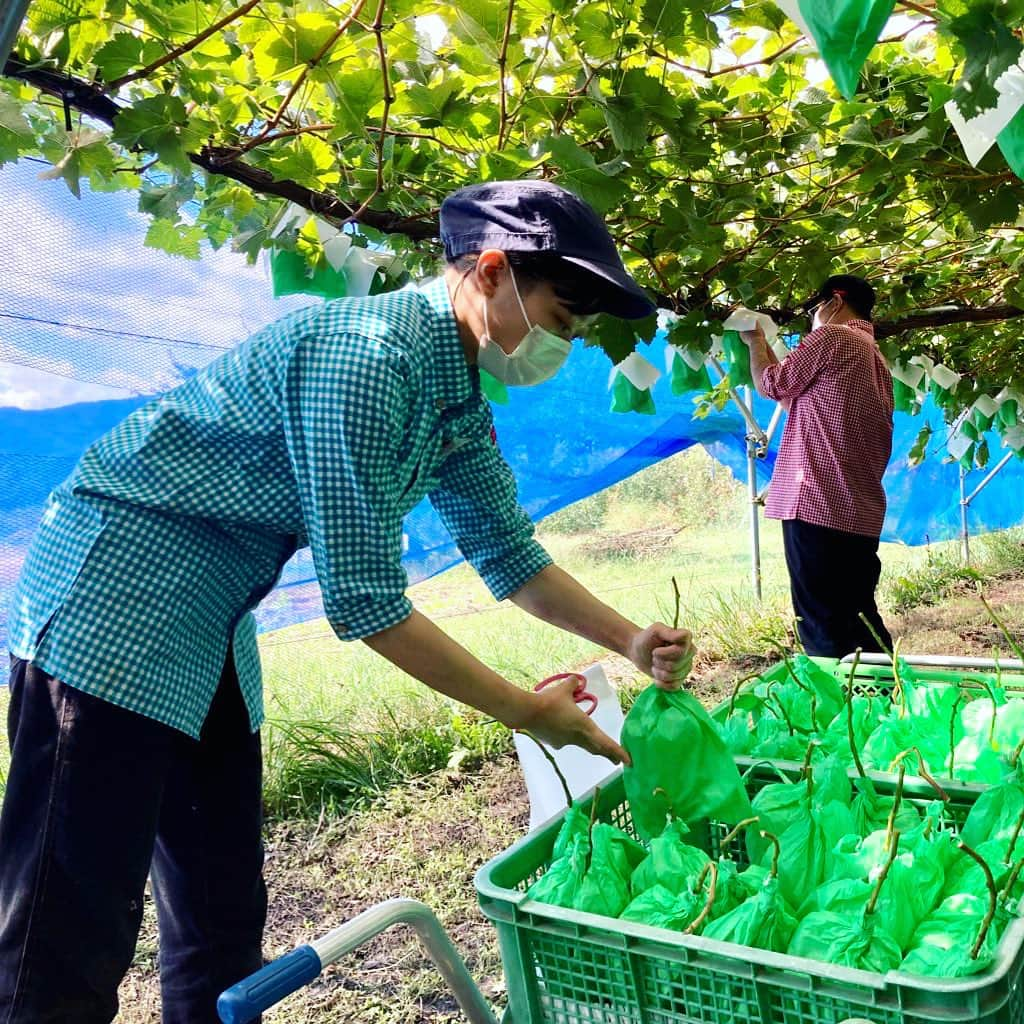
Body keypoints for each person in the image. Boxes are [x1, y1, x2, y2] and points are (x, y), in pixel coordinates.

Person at [0, 180, 696, 1024]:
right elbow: (366, 602)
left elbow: (508, 553)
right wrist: (523, 709)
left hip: (212, 623)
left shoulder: (452, 396)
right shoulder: (367, 359)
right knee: (65, 926)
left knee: (220, 906)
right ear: (489, 270)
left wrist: (626, 638)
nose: (565, 347)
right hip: (116, 604)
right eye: (558, 323)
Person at [739, 273, 894, 658]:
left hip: (817, 504)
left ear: (835, 301)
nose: (813, 317)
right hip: (857, 512)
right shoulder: (875, 360)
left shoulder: (834, 336)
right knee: (858, 616)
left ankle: (839, 707)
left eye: (815, 307)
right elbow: (796, 399)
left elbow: (773, 384)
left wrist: (755, 340)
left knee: (823, 623)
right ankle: (885, 700)